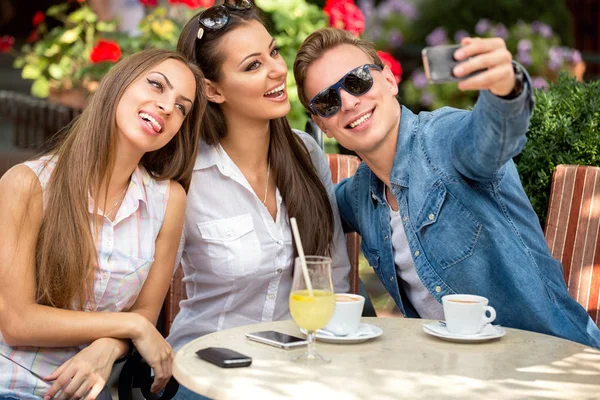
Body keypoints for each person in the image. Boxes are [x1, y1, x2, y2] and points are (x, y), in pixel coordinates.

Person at [293, 28, 600, 349]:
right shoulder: (359, 197)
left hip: (552, 358)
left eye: (357, 80)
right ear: (323, 124)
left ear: (389, 81)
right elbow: (305, 216)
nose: (348, 101)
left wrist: (506, 87)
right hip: (454, 373)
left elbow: (492, 135)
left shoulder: (444, 140)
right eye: (327, 100)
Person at [167, 2, 351, 397]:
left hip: (298, 368)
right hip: (208, 369)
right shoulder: (186, 175)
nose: (277, 70)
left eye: (274, 52)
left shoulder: (306, 154)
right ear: (212, 90)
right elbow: (142, 288)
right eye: (253, 65)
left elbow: (333, 275)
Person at [0, 48, 206, 399]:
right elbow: (17, 322)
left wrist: (109, 346)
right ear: (117, 84)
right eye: (156, 86)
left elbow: (145, 312)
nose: (168, 107)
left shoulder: (168, 201)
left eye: (182, 107)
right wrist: (131, 326)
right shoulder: (27, 184)